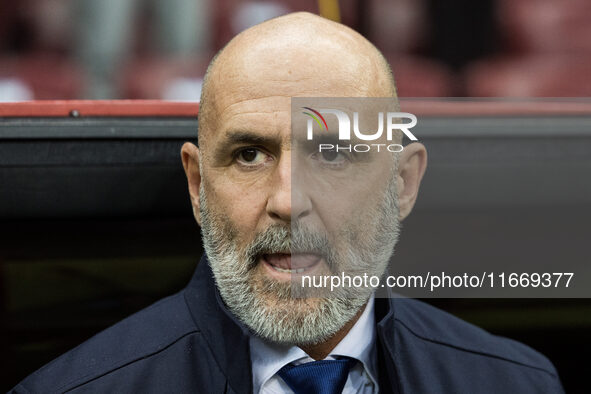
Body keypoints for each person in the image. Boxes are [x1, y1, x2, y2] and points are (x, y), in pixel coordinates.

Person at [11, 12, 564, 394]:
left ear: (402, 185)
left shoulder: (517, 382)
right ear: (199, 186)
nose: (288, 201)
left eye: (334, 154)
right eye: (250, 155)